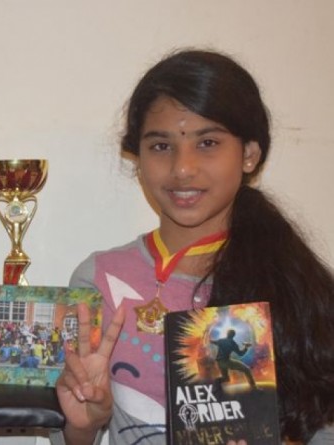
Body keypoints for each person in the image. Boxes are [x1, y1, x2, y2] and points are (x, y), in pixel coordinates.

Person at [56, 49, 334, 445]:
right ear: (138, 158)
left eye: (207, 142)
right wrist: (83, 425)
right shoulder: (98, 279)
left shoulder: (297, 286)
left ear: (249, 155)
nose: (183, 168)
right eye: (160, 146)